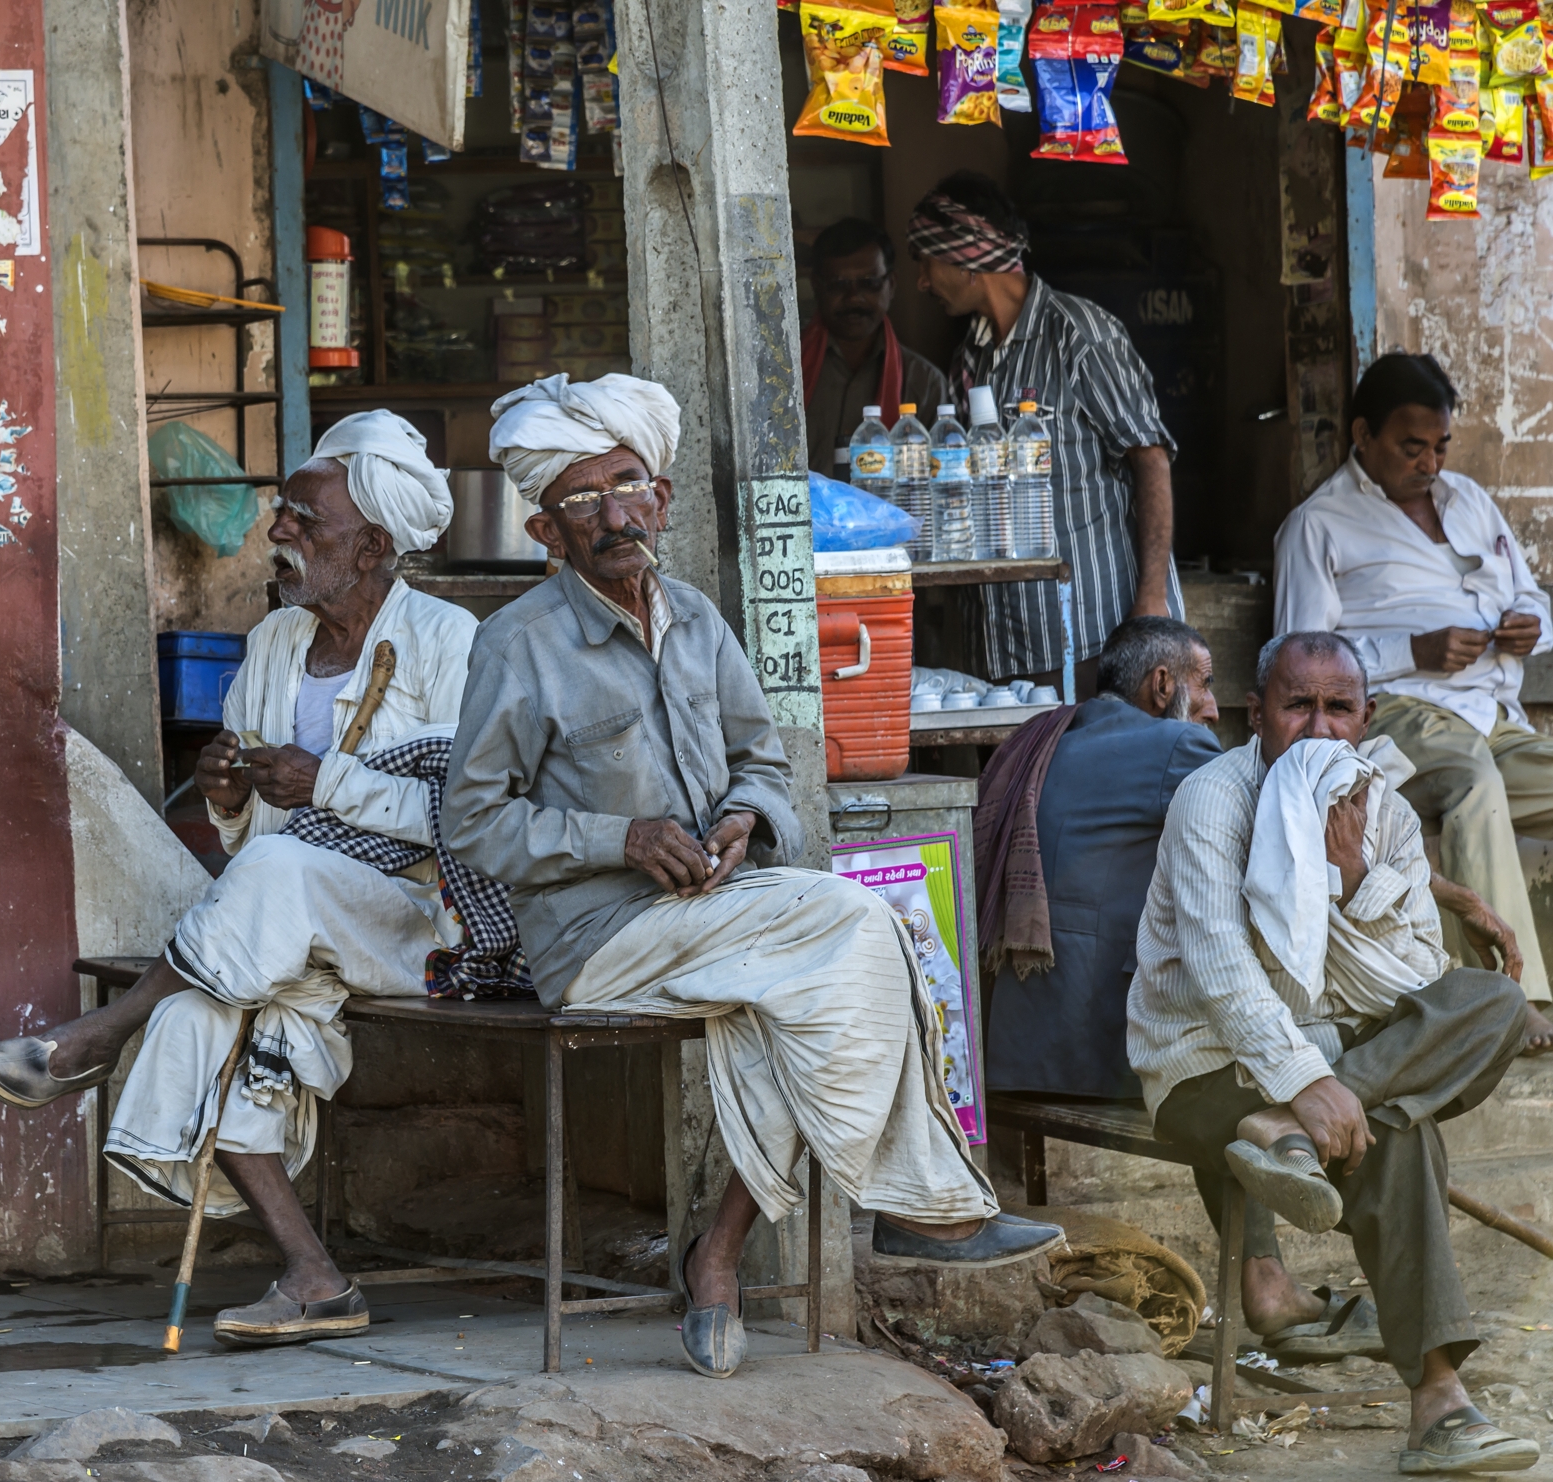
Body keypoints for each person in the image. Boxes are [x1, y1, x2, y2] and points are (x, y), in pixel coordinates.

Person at [443, 371, 1064, 1382]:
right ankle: (919, 1213)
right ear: (543, 532)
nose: (614, 515)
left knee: (810, 990)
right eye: (583, 502)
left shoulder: (694, 619)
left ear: (664, 499)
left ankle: (720, 1257)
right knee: (855, 932)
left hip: (715, 913)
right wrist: (621, 839)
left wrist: (740, 820)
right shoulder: (518, 645)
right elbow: (472, 821)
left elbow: (763, 764)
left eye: (629, 486)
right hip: (594, 938)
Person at [0, 411, 481, 1349]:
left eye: (303, 518)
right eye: (282, 513)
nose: (277, 531)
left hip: (422, 923)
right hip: (286, 917)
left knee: (279, 876)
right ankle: (317, 1278)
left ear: (371, 545)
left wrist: (323, 783)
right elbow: (257, 838)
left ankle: (96, 1035)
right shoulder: (276, 645)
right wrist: (229, 799)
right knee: (198, 1018)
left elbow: (471, 822)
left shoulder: (452, 642)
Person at [1129, 631, 1538, 1475]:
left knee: (1491, 1001)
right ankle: (1439, 1403)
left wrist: (1348, 880)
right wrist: (1308, 1079)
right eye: (1298, 706)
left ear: (1366, 717)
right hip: (1204, 1068)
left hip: (1305, 1083)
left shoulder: (1380, 810)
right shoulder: (1214, 799)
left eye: (1338, 709)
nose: (1319, 730)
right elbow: (1219, 970)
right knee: (1401, 1129)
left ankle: (1293, 1121)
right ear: (1259, 716)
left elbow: (1420, 977)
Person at [1275, 351, 1553, 1053]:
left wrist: (1530, 625)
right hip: (1401, 716)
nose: (1429, 463)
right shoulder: (1319, 525)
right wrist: (1412, 651)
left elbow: (1531, 597)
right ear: (1362, 435)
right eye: (1410, 447)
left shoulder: (1470, 500)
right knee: (1473, 786)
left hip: (1492, 714)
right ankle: (1514, 1004)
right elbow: (1300, 661)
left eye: (1439, 446)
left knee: (1502, 771)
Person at [907, 170, 1181, 700]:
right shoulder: (972, 359)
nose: (921, 281)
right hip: (1005, 645)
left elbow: (1150, 457)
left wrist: (1151, 599)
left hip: (1094, 635)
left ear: (967, 260)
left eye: (926, 260)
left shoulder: (1079, 335)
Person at [979, 615, 1224, 1103]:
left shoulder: (1047, 734)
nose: (1214, 709)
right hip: (1098, 1045)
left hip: (1013, 1035)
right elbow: (1248, 829)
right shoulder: (1179, 744)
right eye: (1205, 684)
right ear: (1161, 685)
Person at [799, 217, 949, 484]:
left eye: (869, 283)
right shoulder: (785, 372)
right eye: (839, 284)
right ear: (817, 286)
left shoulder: (924, 382)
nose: (854, 297)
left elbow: (937, 484)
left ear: (891, 285)